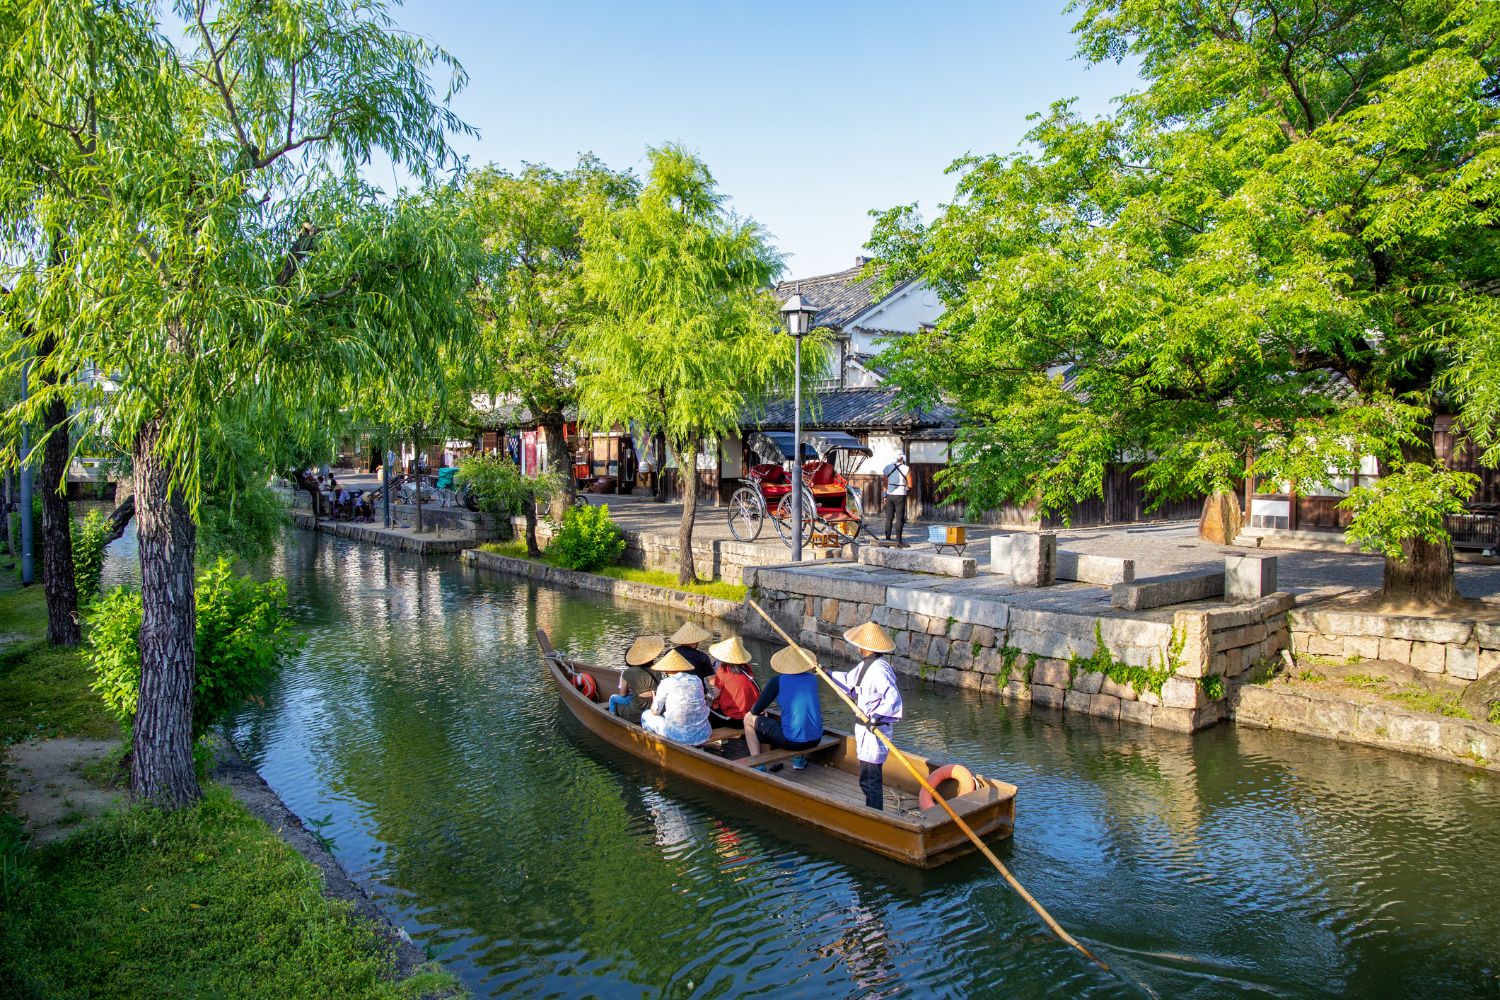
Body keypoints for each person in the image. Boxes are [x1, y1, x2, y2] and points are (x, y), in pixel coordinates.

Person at [830, 622, 904, 811]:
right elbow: (849, 682)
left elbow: (892, 698)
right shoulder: (866, 665)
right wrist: (825, 672)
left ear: (863, 647)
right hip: (865, 729)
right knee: (867, 777)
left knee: (870, 779)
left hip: (874, 731)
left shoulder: (879, 670)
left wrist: (877, 718)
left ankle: (875, 815)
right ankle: (872, 810)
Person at [742, 644, 824, 771]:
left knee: (748, 719)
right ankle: (799, 760)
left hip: (792, 741)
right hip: (816, 738)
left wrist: (755, 712)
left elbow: (755, 710)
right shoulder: (812, 679)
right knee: (794, 715)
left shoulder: (778, 681)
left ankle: (758, 764)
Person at [640, 649, 713, 746]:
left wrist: (654, 701)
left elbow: (655, 711)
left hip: (679, 736)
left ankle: (654, 746)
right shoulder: (696, 679)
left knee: (646, 715)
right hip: (704, 733)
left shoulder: (666, 683)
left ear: (666, 669)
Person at [706, 636, 760, 729]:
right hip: (751, 715)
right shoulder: (746, 668)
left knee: (705, 712)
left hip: (736, 719)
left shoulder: (723, 670)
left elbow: (715, 694)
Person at [609, 635, 663, 725]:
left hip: (634, 715)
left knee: (615, 701)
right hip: (654, 711)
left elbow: (623, 693)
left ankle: (611, 718)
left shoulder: (628, 672)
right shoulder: (658, 671)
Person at [882, 452, 911, 546]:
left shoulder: (887, 468)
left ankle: (887, 540)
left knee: (889, 518)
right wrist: (904, 488)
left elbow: (885, 484)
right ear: (902, 458)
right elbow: (910, 485)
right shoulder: (906, 469)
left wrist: (884, 496)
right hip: (900, 495)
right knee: (899, 519)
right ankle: (898, 541)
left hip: (889, 495)